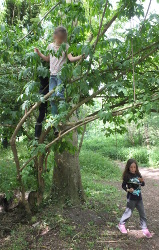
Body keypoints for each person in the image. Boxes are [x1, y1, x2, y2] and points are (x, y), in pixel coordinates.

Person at [34, 26, 84, 125]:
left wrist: (80, 57)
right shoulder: (50, 46)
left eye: (63, 38)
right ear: (55, 36)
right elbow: (47, 59)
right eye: (59, 38)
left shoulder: (66, 46)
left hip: (61, 75)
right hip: (52, 75)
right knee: (52, 97)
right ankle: (54, 121)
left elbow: (70, 58)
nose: (61, 40)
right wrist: (39, 53)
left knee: (60, 95)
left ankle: (61, 118)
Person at [118, 158, 152, 238]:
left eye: (134, 167)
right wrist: (128, 190)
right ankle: (121, 224)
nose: (133, 169)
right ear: (128, 167)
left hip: (139, 198)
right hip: (131, 198)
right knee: (128, 213)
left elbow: (142, 184)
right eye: (131, 167)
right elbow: (123, 186)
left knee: (142, 213)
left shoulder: (138, 174)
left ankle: (144, 229)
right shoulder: (127, 176)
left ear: (136, 167)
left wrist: (142, 181)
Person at [35, 75, 49, 139]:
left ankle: (37, 135)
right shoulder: (44, 73)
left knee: (42, 114)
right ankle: (37, 135)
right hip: (44, 94)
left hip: (43, 93)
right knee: (45, 113)